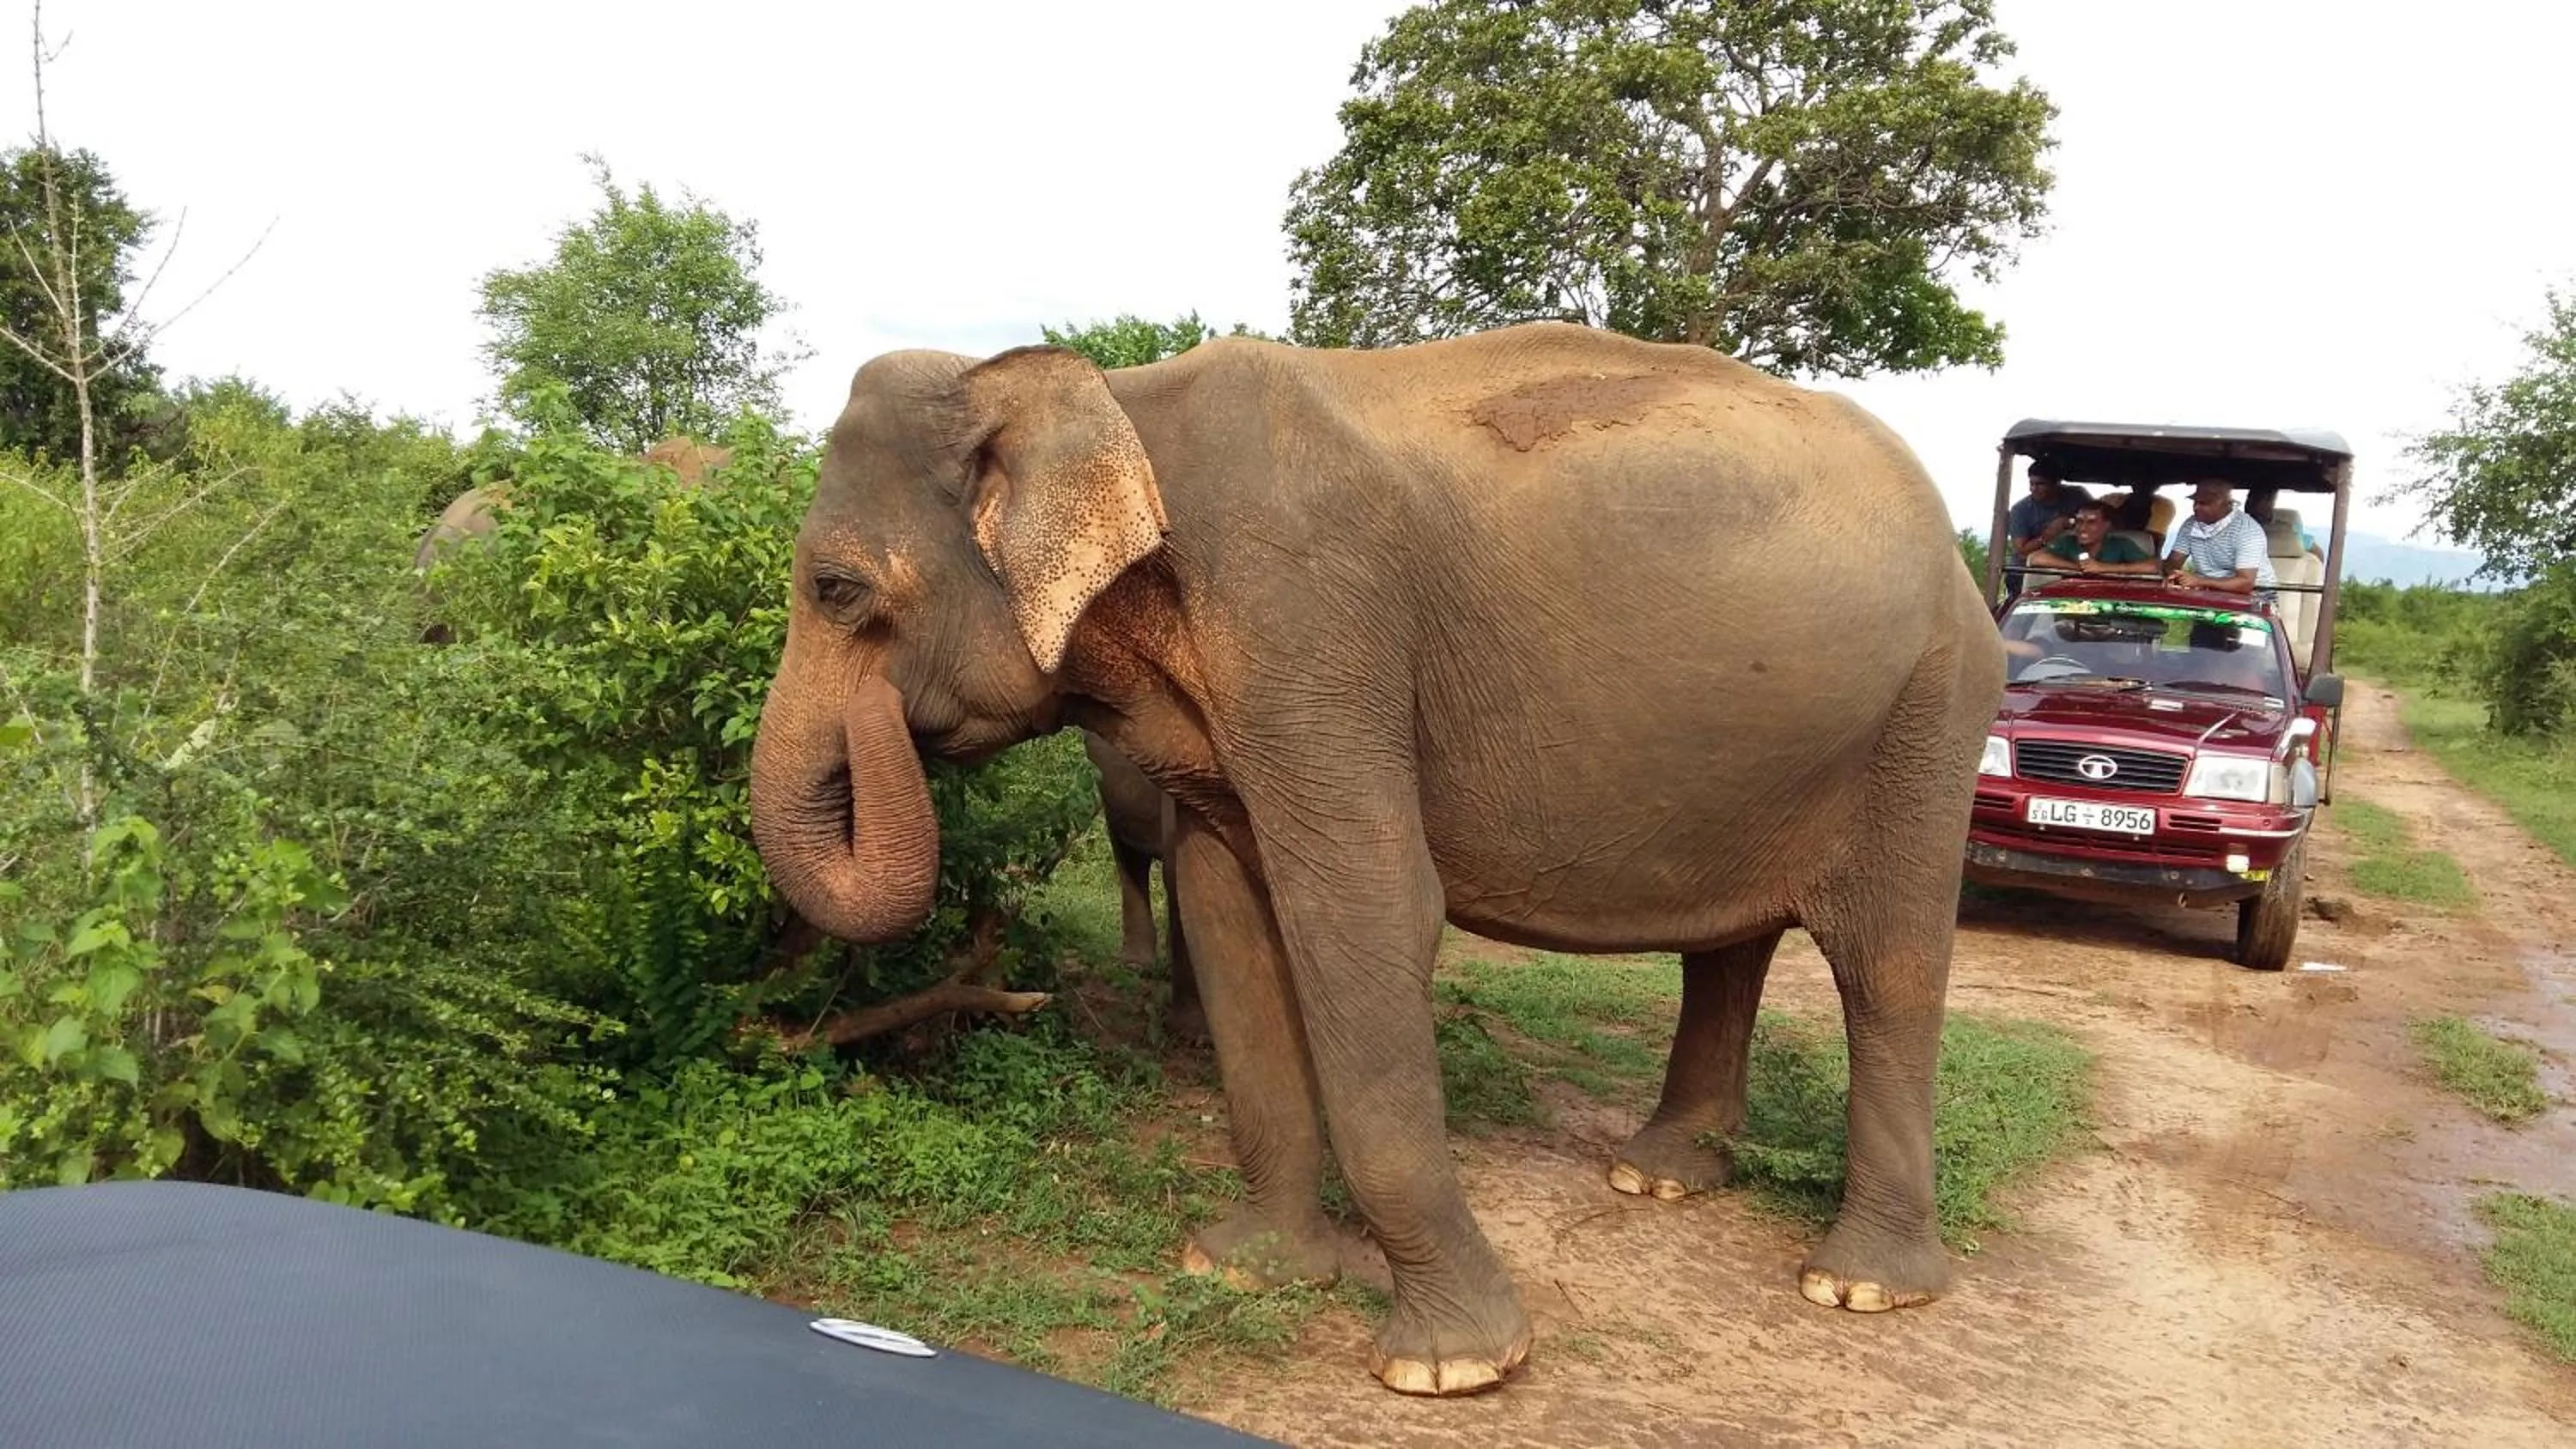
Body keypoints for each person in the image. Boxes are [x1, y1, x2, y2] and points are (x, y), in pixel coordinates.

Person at [2163, 480, 2277, 603]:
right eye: (2195, 502)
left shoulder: (2247, 530)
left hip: (2257, 594)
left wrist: (2199, 581)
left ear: (2225, 504)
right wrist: (2173, 574)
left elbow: (2246, 583)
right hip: (2209, 590)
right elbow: (2173, 561)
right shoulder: (2190, 524)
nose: (2196, 507)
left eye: (2204, 503)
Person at [2036, 499, 2160, 577]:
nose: (2082, 528)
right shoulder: (2067, 541)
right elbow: (2036, 559)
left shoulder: (2121, 544)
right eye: (2079, 521)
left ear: (2107, 525)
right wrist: (2080, 568)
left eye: (2091, 522)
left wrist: (2103, 568)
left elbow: (2153, 567)